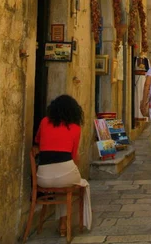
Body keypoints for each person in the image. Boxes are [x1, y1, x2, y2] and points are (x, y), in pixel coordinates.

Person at [34, 94, 92, 236]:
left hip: (42, 177)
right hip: (66, 172)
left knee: (61, 188)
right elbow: (74, 156)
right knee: (80, 185)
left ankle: (62, 225)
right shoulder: (75, 128)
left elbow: (37, 141)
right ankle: (65, 224)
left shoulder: (44, 122)